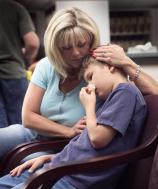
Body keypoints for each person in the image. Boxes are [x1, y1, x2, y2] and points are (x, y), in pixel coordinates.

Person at [0, 55, 147, 189]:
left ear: (110, 66)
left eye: (91, 77)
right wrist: (50, 159)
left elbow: (97, 139)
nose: (90, 86)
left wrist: (89, 107)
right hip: (61, 168)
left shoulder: (126, 92)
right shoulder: (111, 97)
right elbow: (83, 143)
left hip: (78, 180)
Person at [0, 7, 157, 166]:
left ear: (91, 40)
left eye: (82, 44)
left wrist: (126, 61)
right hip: (32, 134)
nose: (76, 53)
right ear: (56, 48)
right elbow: (28, 117)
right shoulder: (46, 65)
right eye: (66, 48)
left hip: (64, 146)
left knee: (23, 165)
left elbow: (154, 92)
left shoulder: (102, 67)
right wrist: (68, 131)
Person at [0, 0, 40, 128]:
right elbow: (32, 43)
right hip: (13, 73)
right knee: (19, 124)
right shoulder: (14, 8)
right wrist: (23, 55)